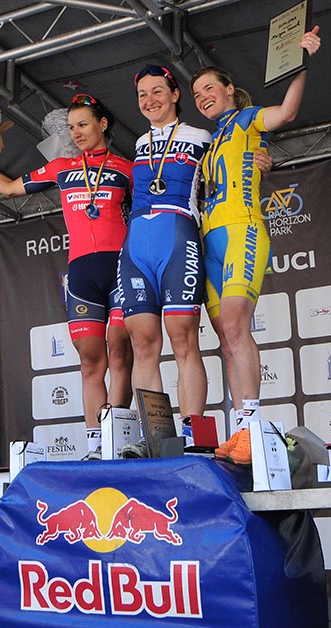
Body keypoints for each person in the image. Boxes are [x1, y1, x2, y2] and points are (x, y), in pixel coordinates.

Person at [0, 94, 133, 458]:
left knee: (119, 352)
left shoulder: (126, 168)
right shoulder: (61, 168)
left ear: (102, 124)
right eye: (71, 127)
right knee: (90, 362)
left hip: (121, 266)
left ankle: (117, 438)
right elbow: (8, 188)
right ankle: (95, 444)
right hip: (82, 272)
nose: (76, 132)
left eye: (83, 124)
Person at [190, 27, 322, 465]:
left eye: (209, 88)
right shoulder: (209, 142)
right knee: (225, 339)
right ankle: (240, 431)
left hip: (242, 229)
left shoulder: (247, 120)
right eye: (196, 94)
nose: (203, 97)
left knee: (234, 327)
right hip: (209, 240)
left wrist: (301, 63)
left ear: (229, 88)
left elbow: (286, 112)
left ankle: (251, 424)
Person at [118, 64, 213, 436]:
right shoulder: (140, 144)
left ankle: (192, 434)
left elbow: (229, 164)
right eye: (142, 95)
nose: (150, 100)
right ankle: (154, 437)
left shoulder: (200, 136)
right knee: (142, 344)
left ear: (175, 94)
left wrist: (260, 159)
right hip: (137, 241)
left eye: (157, 91)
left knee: (183, 339)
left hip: (177, 234)